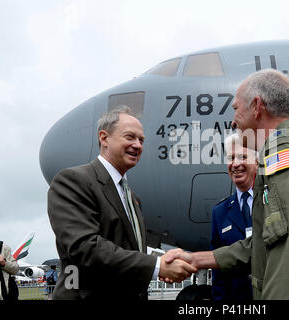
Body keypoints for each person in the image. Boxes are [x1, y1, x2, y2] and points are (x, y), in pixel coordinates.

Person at [165, 69, 289, 299]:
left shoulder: (283, 149)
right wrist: (197, 259)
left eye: (236, 109)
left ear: (256, 106)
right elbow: (266, 243)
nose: (233, 121)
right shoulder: (286, 146)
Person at [47, 106, 196, 300]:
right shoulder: (73, 180)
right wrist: (157, 266)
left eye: (141, 140)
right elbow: (85, 248)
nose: (138, 145)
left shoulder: (133, 198)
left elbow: (128, 254)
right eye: (129, 137)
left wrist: (159, 262)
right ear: (104, 138)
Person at [210, 134, 257, 300]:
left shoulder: (272, 201)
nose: (236, 164)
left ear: (257, 162)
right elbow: (219, 272)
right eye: (230, 158)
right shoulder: (220, 212)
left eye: (242, 157)